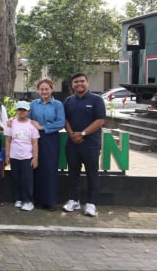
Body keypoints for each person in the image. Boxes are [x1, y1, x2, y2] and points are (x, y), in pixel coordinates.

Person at [63, 72, 105, 217]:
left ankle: (91, 204)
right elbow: (65, 120)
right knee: (73, 174)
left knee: (92, 174)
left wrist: (82, 134)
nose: (79, 84)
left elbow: (100, 120)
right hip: (72, 144)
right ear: (72, 85)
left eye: (82, 81)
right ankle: (73, 200)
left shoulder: (96, 100)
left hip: (91, 145)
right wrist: (72, 135)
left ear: (87, 83)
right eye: (76, 82)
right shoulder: (68, 101)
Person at [29, 78, 66, 211]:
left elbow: (61, 122)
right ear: (38, 90)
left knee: (49, 168)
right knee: (36, 167)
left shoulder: (58, 105)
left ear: (52, 89)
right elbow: (29, 119)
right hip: (35, 139)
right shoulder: (34, 104)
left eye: (47, 89)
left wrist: (43, 127)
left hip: (50, 138)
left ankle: (49, 201)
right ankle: (37, 199)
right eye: (41, 89)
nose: (44, 91)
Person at [4, 101, 39, 211]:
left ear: (28, 111)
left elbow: (34, 142)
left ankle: (28, 200)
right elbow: (8, 141)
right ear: (16, 111)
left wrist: (35, 157)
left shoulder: (32, 125)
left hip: (27, 157)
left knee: (27, 179)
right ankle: (18, 198)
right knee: (16, 178)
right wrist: (7, 155)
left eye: (24, 110)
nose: (21, 112)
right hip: (14, 156)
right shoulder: (12, 123)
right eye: (19, 110)